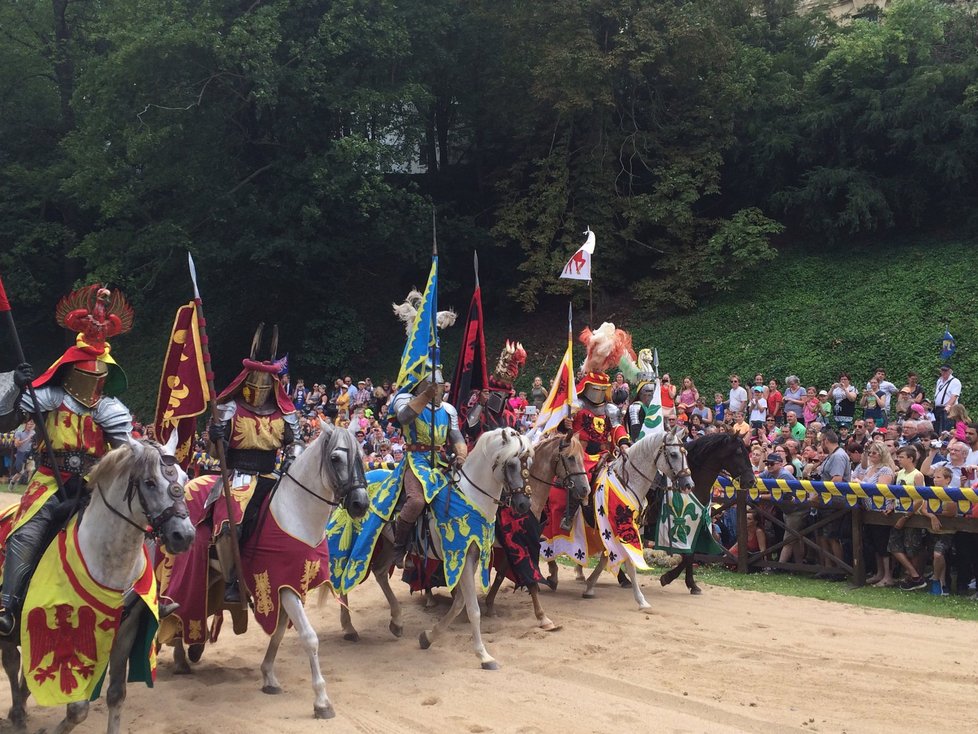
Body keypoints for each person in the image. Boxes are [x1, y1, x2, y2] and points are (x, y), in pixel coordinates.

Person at [0, 285, 135, 636]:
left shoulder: (109, 408)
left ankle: (140, 597)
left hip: (93, 484)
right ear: (72, 369)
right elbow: (4, 422)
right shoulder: (46, 395)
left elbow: (128, 452)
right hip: (49, 481)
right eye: (88, 374)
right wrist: (16, 386)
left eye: (100, 375)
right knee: (24, 534)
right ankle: (8, 604)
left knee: (131, 527)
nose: (95, 381)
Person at [208, 329, 298, 603]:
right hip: (239, 476)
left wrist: (292, 462)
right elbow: (215, 454)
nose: (259, 390)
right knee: (228, 524)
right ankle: (231, 579)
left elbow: (293, 446)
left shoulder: (285, 414)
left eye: (264, 384)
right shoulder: (229, 409)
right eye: (254, 384)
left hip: (273, 474)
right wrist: (217, 438)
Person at [464, 341, 526, 444]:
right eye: (499, 394)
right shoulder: (481, 413)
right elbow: (469, 428)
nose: (501, 399)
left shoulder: (509, 417)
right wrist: (480, 404)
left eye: (506, 395)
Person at [854, 441, 896, 587]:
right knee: (873, 543)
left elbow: (881, 489)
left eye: (874, 453)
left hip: (881, 511)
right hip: (868, 510)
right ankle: (879, 573)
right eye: (870, 452)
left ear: (882, 454)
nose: (871, 455)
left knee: (882, 544)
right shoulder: (870, 468)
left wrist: (861, 484)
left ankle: (888, 576)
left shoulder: (885, 470)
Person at [933, 364, 961, 433]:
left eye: (946, 371)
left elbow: (954, 396)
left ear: (950, 371)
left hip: (948, 409)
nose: (943, 372)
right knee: (936, 428)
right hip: (938, 408)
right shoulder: (939, 380)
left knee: (945, 429)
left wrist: (948, 406)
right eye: (942, 371)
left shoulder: (955, 381)